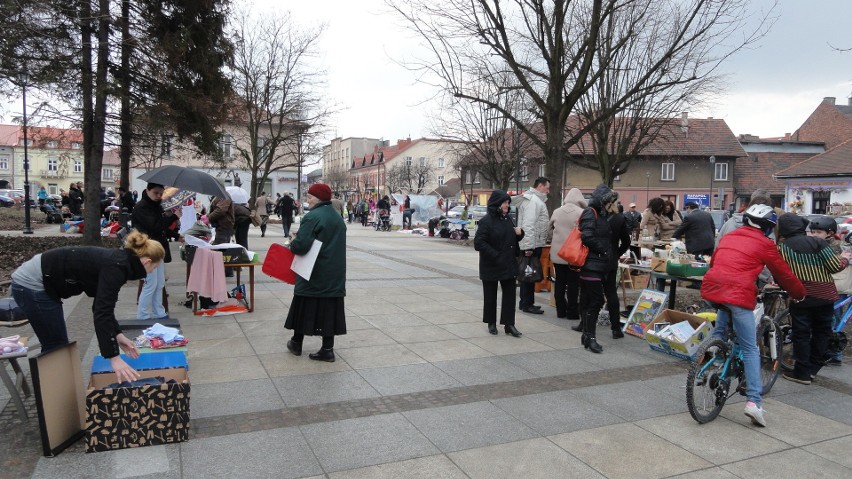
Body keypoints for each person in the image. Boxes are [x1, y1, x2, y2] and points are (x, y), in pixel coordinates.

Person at [700, 204, 806, 427]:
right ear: (767, 227)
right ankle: (754, 403)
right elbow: (783, 273)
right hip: (738, 294)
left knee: (721, 329)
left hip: (713, 288)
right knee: (750, 348)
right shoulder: (765, 244)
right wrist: (799, 294)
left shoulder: (729, 236)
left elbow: (715, 262)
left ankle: (714, 361)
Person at [11, 231, 165, 383]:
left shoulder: (121, 262)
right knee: (56, 347)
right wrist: (114, 357)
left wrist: (118, 335)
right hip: (31, 284)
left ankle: (58, 389)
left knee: (58, 346)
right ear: (146, 262)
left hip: (42, 279)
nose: (153, 271)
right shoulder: (117, 269)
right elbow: (101, 313)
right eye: (155, 267)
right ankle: (53, 395)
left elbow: (102, 306)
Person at [777, 214, 851, 385]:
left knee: (801, 334)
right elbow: (834, 266)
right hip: (825, 296)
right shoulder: (818, 242)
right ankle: (812, 370)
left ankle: (801, 373)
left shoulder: (781, 248)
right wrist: (845, 259)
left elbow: (782, 273)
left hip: (801, 296)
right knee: (822, 332)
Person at [285, 183, 347, 362]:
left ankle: (297, 343)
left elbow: (301, 247)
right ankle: (327, 349)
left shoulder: (312, 217)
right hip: (334, 272)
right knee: (329, 309)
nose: (307, 200)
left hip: (313, 270)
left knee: (303, 303)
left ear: (318, 198)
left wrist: (294, 240)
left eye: (310, 197)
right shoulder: (336, 217)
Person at [474, 190, 525, 337]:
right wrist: (496, 255)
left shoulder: (507, 219)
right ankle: (491, 323)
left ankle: (509, 324)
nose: (507, 206)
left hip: (508, 263)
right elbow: (479, 243)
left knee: (510, 295)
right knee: (490, 295)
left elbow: (511, 238)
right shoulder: (486, 221)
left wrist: (520, 234)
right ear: (497, 203)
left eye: (508, 203)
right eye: (505, 203)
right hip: (491, 264)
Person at [577, 184, 619, 353]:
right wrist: (603, 250)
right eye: (611, 201)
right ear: (604, 201)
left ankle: (587, 336)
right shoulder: (590, 213)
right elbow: (586, 236)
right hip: (590, 265)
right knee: (596, 301)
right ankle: (590, 337)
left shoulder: (602, 214)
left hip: (597, 265)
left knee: (589, 301)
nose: (612, 204)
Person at [132, 183, 176, 321]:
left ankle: (159, 312)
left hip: (156, 247)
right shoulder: (142, 207)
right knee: (150, 283)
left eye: (160, 193)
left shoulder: (155, 205)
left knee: (159, 283)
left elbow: (160, 227)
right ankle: (143, 315)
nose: (158, 196)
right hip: (146, 248)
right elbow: (155, 226)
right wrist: (173, 217)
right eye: (155, 193)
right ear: (147, 190)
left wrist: (175, 234)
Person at [549, 188, 587, 321]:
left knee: (559, 282)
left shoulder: (557, 211)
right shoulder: (581, 213)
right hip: (573, 254)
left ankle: (560, 310)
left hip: (557, 253)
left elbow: (549, 229)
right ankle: (572, 312)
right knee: (573, 284)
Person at [516, 177, 551, 314]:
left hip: (532, 243)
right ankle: (527, 304)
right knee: (528, 274)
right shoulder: (534, 201)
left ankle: (526, 302)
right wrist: (529, 247)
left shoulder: (533, 200)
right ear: (541, 186)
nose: (548, 191)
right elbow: (529, 225)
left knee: (528, 273)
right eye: (547, 188)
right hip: (532, 244)